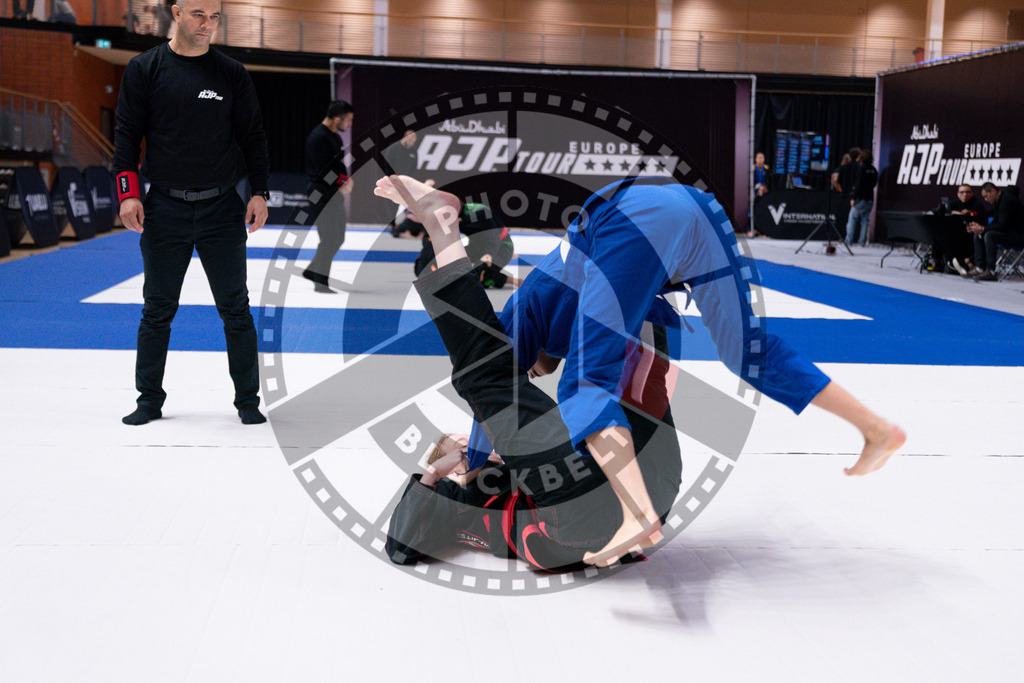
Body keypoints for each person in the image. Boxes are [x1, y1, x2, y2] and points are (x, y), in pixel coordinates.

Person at [376, 174, 906, 567]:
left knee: (568, 385)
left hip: (632, 220)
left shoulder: (524, 314)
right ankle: (874, 428)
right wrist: (455, 468)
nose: (536, 377)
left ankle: (636, 517)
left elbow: (488, 390)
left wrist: (469, 460)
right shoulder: (593, 313)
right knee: (745, 351)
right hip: (697, 214)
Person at [381, 181, 681, 572]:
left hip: (652, 486)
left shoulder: (526, 460)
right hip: (574, 520)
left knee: (612, 361)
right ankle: (443, 231)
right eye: (459, 450)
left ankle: (634, 262)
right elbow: (399, 547)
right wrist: (438, 472)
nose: (469, 446)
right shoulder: (459, 503)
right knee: (485, 377)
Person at [114, 0, 270, 426]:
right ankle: (149, 401)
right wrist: (128, 193)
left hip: (222, 208)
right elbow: (126, 135)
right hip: (164, 208)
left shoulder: (231, 73)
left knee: (236, 309)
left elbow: (253, 137)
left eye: (215, 17)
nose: (208, 24)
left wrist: (259, 192)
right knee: (157, 309)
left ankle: (248, 401)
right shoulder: (145, 69)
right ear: (177, 13)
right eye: (199, 14)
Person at [302, 100, 354, 293]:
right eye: (348, 120)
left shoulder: (335, 138)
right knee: (329, 238)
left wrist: (345, 179)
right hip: (320, 193)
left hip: (332, 193)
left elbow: (338, 165)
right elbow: (322, 171)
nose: (350, 124)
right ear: (337, 118)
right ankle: (320, 282)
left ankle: (312, 270)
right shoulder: (318, 138)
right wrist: (343, 182)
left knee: (338, 237)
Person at [412, 201, 521, 288]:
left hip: (501, 247)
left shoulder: (479, 213)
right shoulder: (448, 216)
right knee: (448, 268)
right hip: (475, 246)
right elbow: (429, 238)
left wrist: (488, 254)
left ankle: (512, 280)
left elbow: (493, 238)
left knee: (479, 276)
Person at [965, 182, 1024, 281]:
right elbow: (995, 223)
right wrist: (980, 228)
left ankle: (991, 271)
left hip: (1019, 236)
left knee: (990, 235)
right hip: (1009, 233)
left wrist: (983, 228)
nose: (985, 199)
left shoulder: (1007, 201)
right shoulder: (999, 201)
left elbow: (1002, 226)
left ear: (993, 191)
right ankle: (980, 268)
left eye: (986, 196)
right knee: (979, 234)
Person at [845, 149, 877, 246]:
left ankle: (848, 241)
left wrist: (853, 198)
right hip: (870, 198)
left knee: (852, 219)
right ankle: (862, 242)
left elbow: (858, 185)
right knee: (865, 220)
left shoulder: (861, 169)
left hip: (861, 198)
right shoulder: (874, 170)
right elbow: (874, 184)